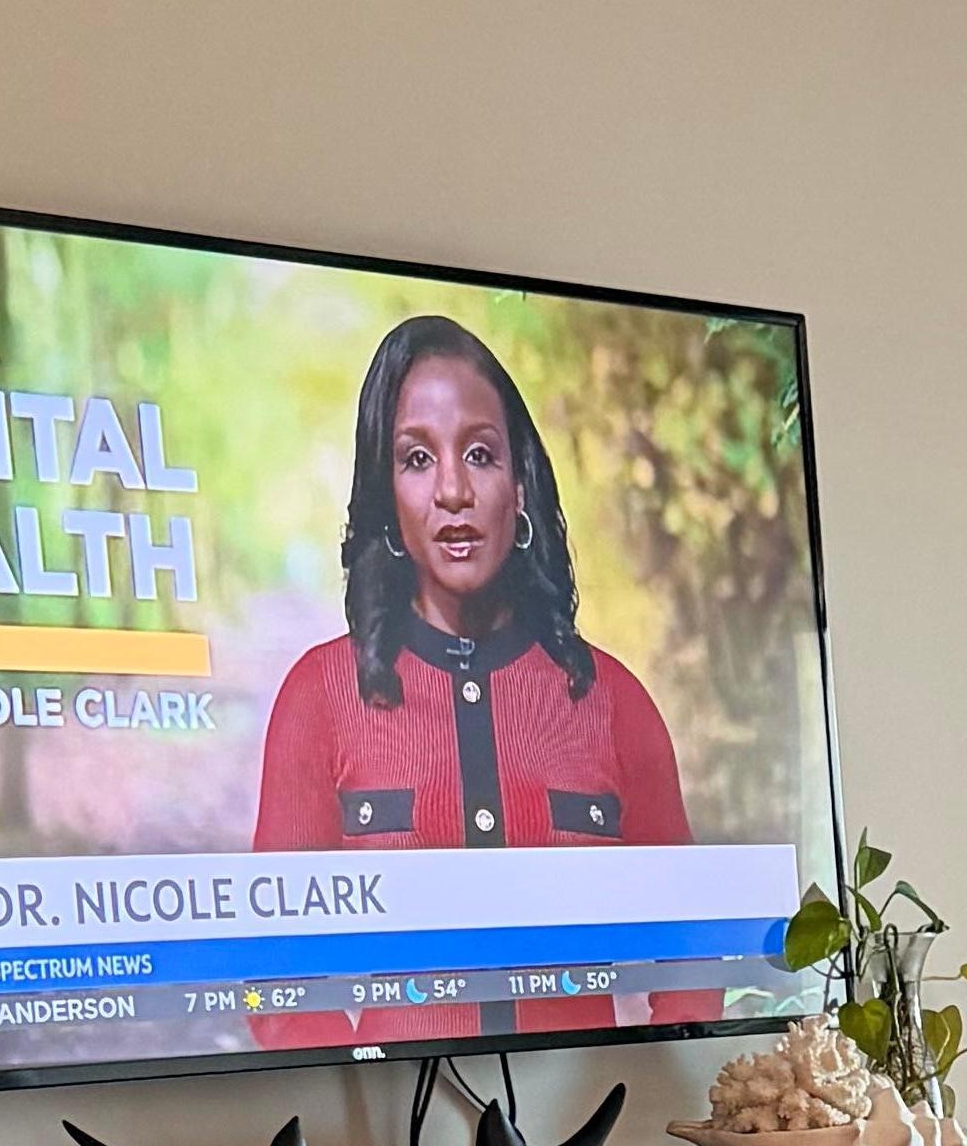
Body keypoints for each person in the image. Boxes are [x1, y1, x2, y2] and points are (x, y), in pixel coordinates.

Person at [252, 316, 690, 854]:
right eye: (418, 459)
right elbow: (287, 938)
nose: (454, 490)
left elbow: (686, 934)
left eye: (480, 455)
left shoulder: (617, 704)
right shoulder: (318, 700)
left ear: (520, 487)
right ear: (387, 498)